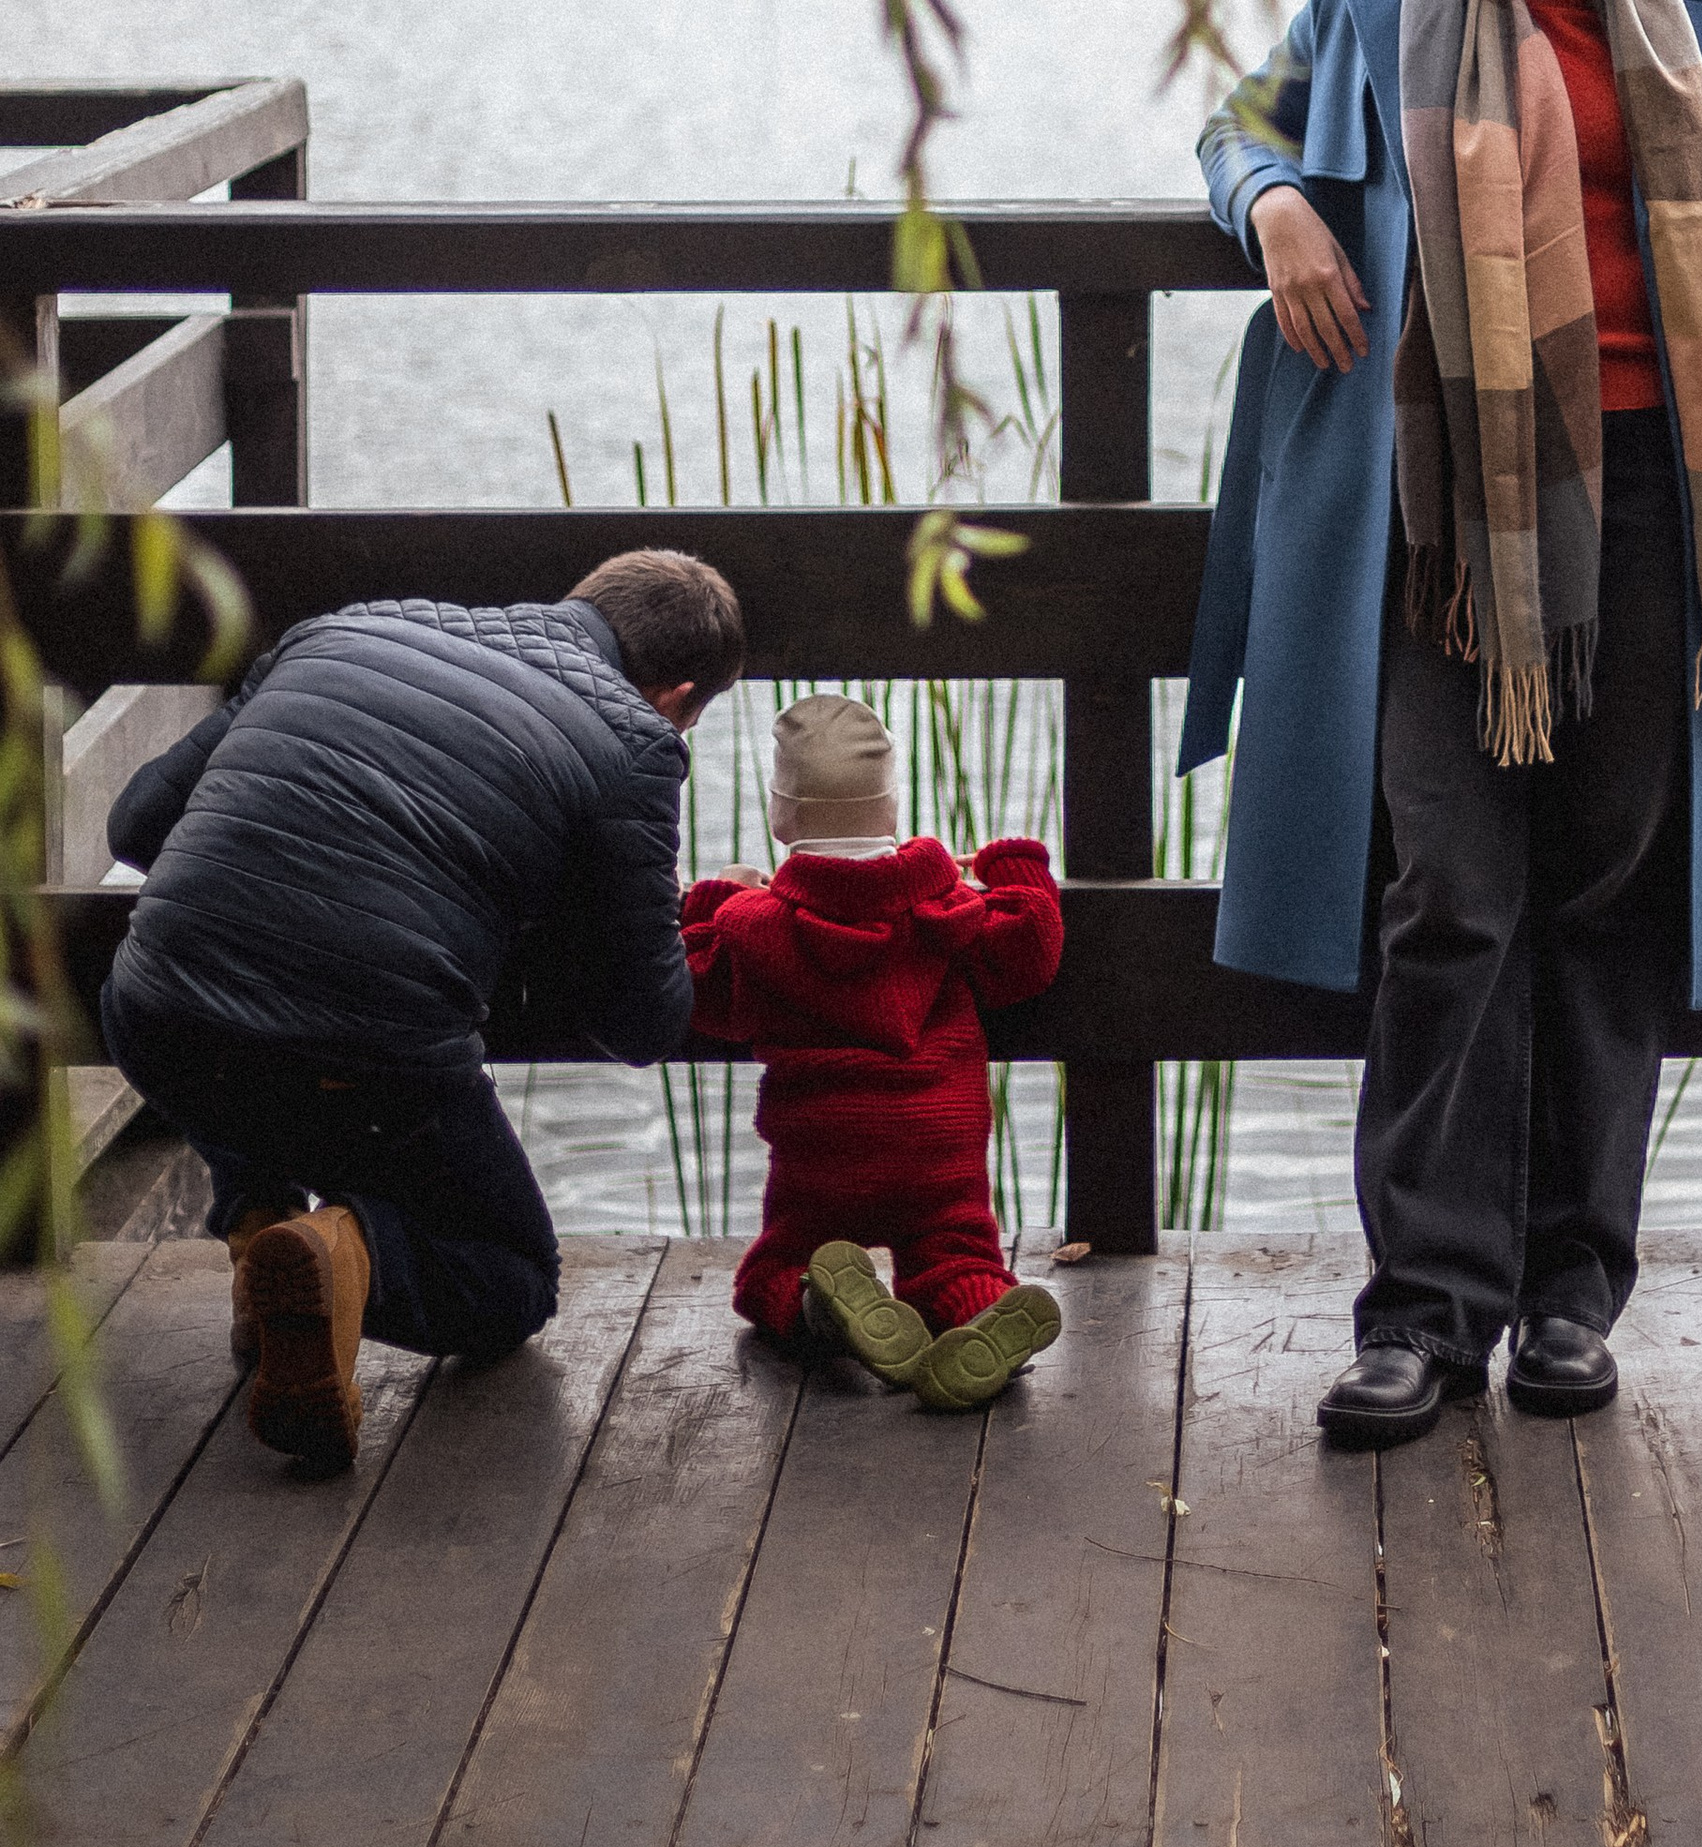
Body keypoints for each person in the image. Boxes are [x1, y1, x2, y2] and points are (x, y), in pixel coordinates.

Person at [1178, 0, 1702, 1451]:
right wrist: (1273, 206)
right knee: (1448, 893)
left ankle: (1573, 1294)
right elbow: (1232, 131)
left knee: (1604, 894)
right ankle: (1423, 1313)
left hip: (1662, 499)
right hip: (1442, 526)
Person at [97, 548, 745, 1474]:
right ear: (679, 697)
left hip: (154, 1019)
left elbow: (136, 827)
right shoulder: (634, 741)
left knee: (238, 1029)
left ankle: (260, 1241)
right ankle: (337, 1259)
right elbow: (642, 1022)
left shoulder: (344, 627)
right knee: (512, 1280)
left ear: (576, 604)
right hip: (358, 1060)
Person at [678, 693, 1065, 1410]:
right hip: (939, 1152)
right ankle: (979, 1311)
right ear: (890, 811)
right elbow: (1030, 950)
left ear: (781, 816)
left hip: (824, 1157)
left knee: (776, 1265)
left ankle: (815, 1305)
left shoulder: (758, 927)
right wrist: (1014, 863)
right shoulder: (947, 905)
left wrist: (706, 904)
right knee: (955, 1251)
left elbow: (703, 993)